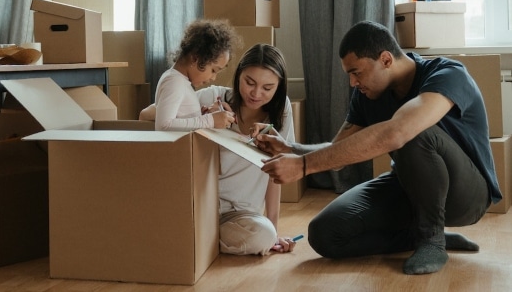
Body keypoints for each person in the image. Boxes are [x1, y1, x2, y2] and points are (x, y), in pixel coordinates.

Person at [256, 20, 501, 274]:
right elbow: (338, 151)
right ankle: (418, 235)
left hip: (467, 196)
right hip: (409, 187)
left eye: (356, 72)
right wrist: (291, 150)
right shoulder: (366, 95)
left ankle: (432, 240)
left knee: (412, 131)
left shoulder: (448, 74)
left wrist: (303, 166)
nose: (352, 83)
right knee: (325, 234)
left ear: (385, 59)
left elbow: (399, 132)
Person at [142, 43, 299, 255]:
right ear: (238, 75)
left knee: (264, 236)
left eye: (267, 88)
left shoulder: (282, 112)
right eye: (249, 82)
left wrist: (274, 230)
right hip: (201, 206)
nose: (256, 93)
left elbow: (276, 173)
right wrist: (204, 118)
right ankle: (196, 237)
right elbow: (147, 114)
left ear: (278, 87)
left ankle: (194, 239)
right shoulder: (213, 97)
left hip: (241, 215)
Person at [153, 19, 237, 131]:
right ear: (195, 58)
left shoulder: (181, 81)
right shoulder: (174, 82)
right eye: (213, 70)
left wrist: (200, 116)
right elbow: (163, 126)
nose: (213, 78)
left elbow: (180, 121)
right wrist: (210, 120)